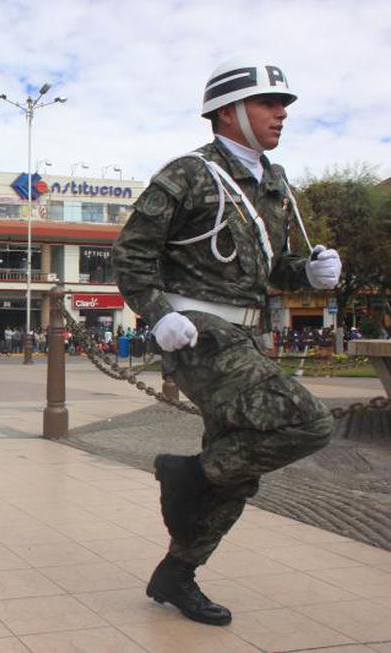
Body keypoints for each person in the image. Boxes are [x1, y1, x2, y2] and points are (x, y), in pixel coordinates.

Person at [112, 59, 341, 626]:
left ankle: (177, 573)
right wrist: (158, 314)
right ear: (228, 112)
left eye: (282, 104)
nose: (281, 113)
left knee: (239, 467)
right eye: (268, 103)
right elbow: (130, 254)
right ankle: (189, 473)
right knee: (308, 421)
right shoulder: (188, 174)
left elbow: (269, 268)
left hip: (245, 333)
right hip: (198, 333)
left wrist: (306, 273)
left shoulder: (275, 182)